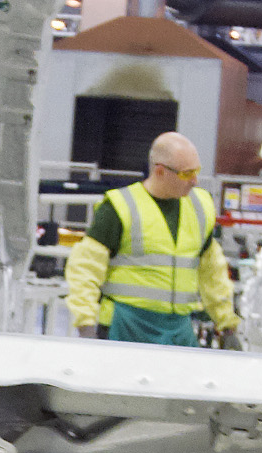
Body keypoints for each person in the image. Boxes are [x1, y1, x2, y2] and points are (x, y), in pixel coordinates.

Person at [64, 130, 235, 345]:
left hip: (178, 329)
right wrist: (86, 326)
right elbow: (85, 267)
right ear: (160, 171)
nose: (194, 180)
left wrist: (227, 326)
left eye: (196, 171)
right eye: (186, 173)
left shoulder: (201, 206)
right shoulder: (120, 207)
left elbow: (213, 271)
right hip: (126, 327)